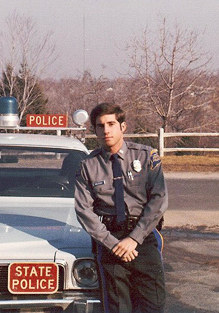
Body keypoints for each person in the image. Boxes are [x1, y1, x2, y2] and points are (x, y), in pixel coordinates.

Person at [74, 102, 167, 313]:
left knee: (153, 305)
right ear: (94, 130)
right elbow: (83, 210)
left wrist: (134, 239)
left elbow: (159, 199)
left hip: (142, 237)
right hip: (110, 241)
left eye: (111, 124)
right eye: (100, 126)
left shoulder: (146, 157)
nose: (106, 130)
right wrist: (113, 244)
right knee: (117, 307)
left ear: (122, 127)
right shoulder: (88, 166)